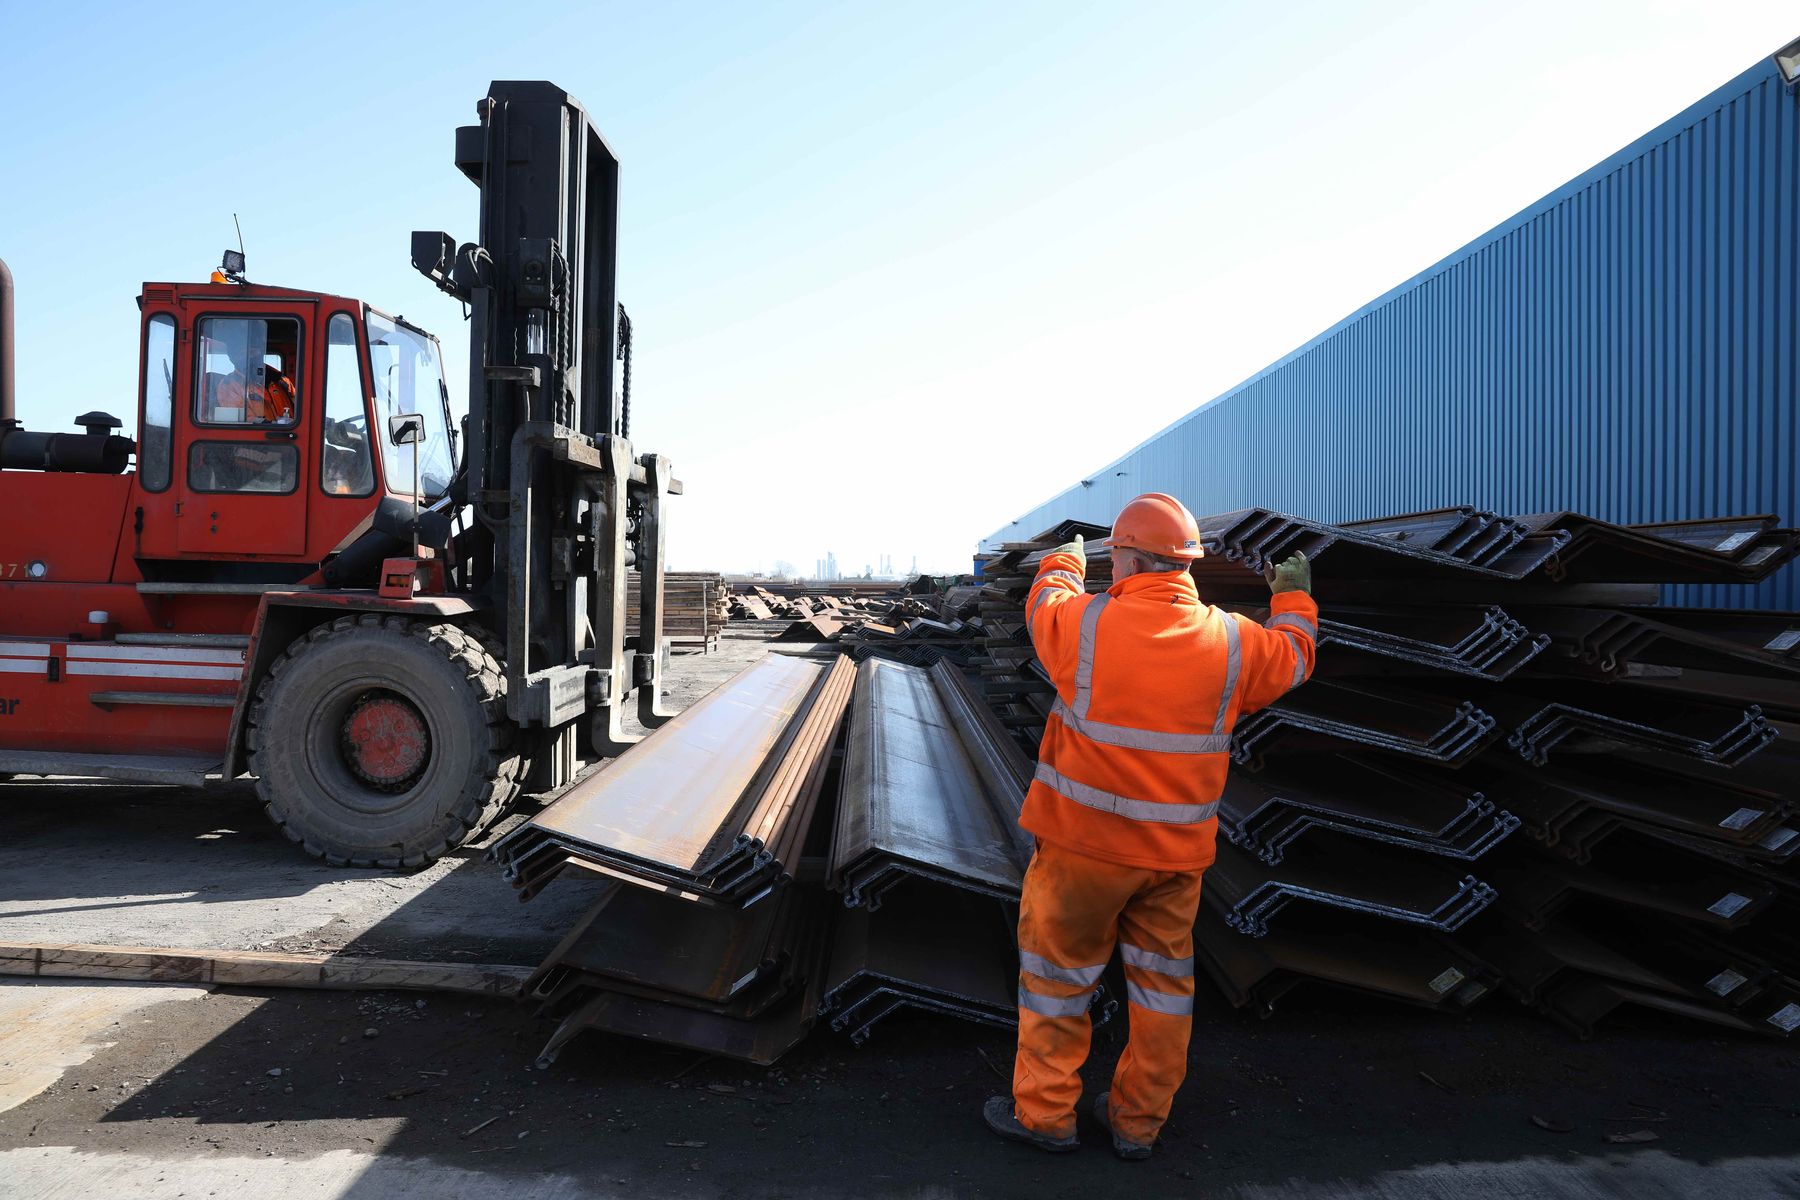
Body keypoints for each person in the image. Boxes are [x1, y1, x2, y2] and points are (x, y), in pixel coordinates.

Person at [983, 492, 1317, 1160]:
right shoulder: (1232, 641)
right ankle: (1138, 1124)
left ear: (1128, 557)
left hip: (1082, 852)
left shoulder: (1085, 625)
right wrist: (1294, 599)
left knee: (1058, 986)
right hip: (1174, 861)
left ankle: (1046, 1116)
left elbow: (1042, 604)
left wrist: (1064, 563)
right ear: (1186, 562)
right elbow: (1296, 656)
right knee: (1162, 994)